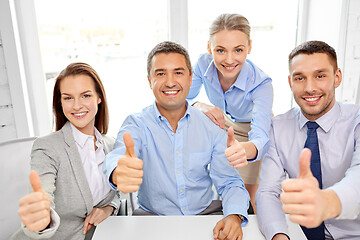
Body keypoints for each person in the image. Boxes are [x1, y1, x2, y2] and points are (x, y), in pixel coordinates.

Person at [104, 41, 250, 240]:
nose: (170, 82)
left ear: (190, 79)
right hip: (151, 219)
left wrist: (234, 216)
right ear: (149, 80)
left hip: (204, 217)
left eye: (178, 73)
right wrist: (117, 171)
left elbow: (229, 181)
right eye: (161, 73)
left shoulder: (210, 127)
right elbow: (118, 156)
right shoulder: (136, 123)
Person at [256, 40, 360, 240]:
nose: (310, 88)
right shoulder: (277, 127)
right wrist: (279, 236)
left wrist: (327, 202)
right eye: (300, 78)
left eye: (320, 76)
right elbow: (268, 191)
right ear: (290, 82)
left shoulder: (356, 121)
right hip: (298, 235)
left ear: (337, 78)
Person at [13, 63, 120, 240]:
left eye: (85, 95)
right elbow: (43, 194)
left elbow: (117, 192)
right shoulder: (47, 147)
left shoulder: (111, 145)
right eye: (68, 98)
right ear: (60, 102)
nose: (77, 106)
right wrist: (41, 218)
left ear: (99, 97)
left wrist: (109, 208)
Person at [187, 13, 273, 212]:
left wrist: (246, 150)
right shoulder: (202, 64)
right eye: (220, 50)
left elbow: (261, 137)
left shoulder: (262, 84)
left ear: (249, 47)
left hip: (252, 130)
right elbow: (182, 99)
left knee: (247, 199)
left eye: (238, 50)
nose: (229, 59)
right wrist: (200, 105)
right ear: (209, 48)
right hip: (224, 122)